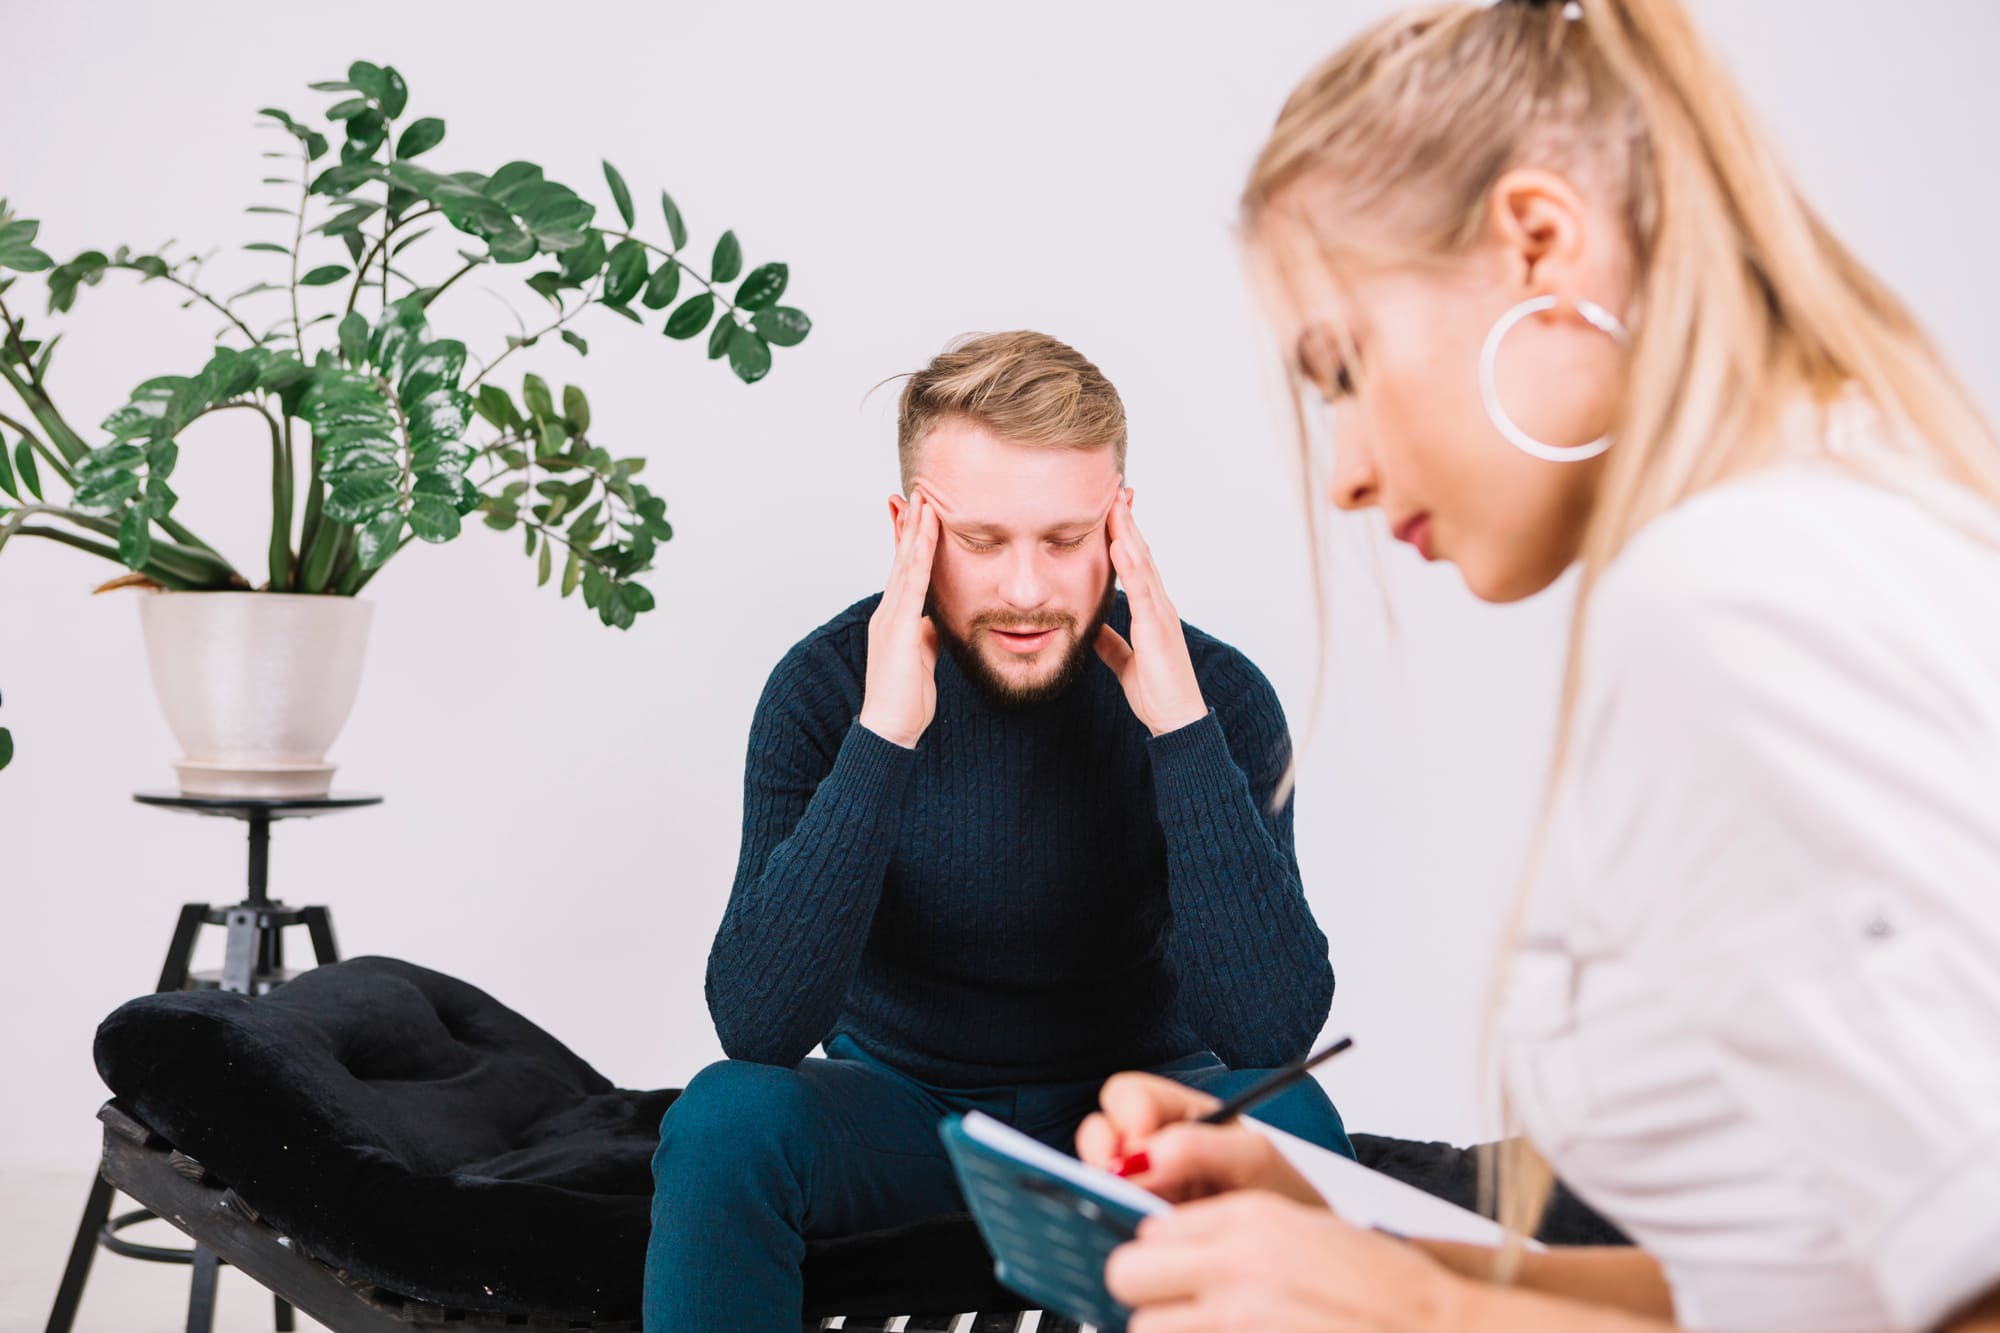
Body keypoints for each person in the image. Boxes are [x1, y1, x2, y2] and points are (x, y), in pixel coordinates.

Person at [1074, 0, 2000, 1329]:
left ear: (1538, 245)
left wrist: (1417, 1319)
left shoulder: (1735, 601)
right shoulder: (1828, 522)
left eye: (1343, 369)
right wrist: (1350, 1240)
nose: (1341, 473)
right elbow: (1791, 1292)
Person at [643, 331, 1353, 1331]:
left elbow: (1268, 1035)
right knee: (724, 1117)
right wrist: (883, 732)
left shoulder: (1215, 694)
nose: (1026, 589)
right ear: (908, 531)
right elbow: (758, 1026)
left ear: (1119, 524)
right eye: (980, 541)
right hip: (904, 1112)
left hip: (1137, 1120)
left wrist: (1181, 736)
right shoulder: (823, 688)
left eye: (1065, 540)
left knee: (1288, 1117)